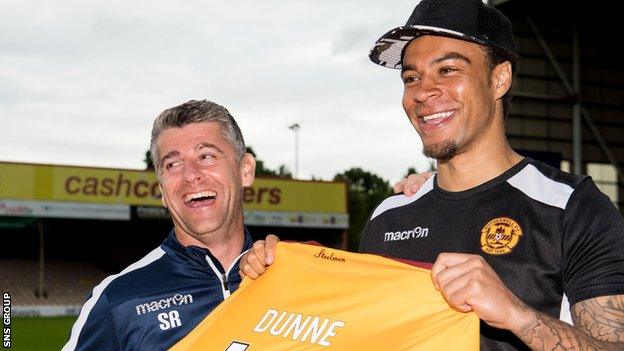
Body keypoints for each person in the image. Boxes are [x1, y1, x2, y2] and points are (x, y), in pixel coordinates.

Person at [240, 0, 624, 349]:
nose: (423, 92)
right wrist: (281, 275)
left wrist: (517, 315)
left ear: (499, 79)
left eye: (448, 69)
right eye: (411, 78)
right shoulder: (389, 216)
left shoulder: (572, 207)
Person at [62, 100, 256, 351]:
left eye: (206, 156)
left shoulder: (292, 276)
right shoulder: (118, 300)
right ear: (162, 191)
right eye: (172, 164)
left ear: (245, 170)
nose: (190, 174)